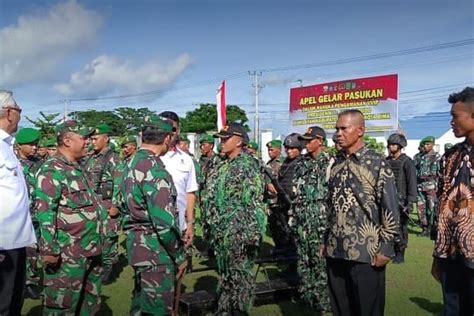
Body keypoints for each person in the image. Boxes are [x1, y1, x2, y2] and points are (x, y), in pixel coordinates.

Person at [322, 109, 400, 316]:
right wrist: (325, 240)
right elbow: (330, 206)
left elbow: (390, 206)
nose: (338, 133)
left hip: (366, 252)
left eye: (344, 128)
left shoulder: (377, 163)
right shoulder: (336, 163)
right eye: (337, 128)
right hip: (335, 250)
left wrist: (386, 247)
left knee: (367, 310)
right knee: (340, 309)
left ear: (360, 130)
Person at [34, 120, 104, 314]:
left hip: (91, 249)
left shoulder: (77, 168)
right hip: (67, 255)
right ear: (67, 140)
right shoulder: (51, 170)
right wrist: (49, 249)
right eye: (84, 138)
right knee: (61, 307)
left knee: (89, 305)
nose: (88, 142)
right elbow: (45, 213)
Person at [119, 115, 185, 315]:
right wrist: (179, 255)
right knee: (157, 309)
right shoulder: (154, 168)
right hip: (156, 251)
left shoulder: (132, 162)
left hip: (138, 247)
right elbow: (164, 224)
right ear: (167, 138)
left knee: (141, 306)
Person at [203, 123, 266, 315]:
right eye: (221, 139)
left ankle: (238, 310)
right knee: (227, 274)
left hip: (240, 233)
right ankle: (226, 308)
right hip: (223, 233)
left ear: (239, 141)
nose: (221, 142)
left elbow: (254, 202)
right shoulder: (222, 165)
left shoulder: (248, 165)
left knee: (240, 276)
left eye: (226, 138)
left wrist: (252, 234)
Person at [431, 87, 473, 316]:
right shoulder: (450, 156)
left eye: (455, 116)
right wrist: (438, 254)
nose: (451, 122)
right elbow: (442, 208)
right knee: (453, 309)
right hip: (452, 255)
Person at [0, 91, 37, 315]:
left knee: (13, 301)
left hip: (14, 242)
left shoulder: (6, 145)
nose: (20, 116)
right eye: (20, 111)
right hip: (2, 244)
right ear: (10, 113)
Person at [289, 126, 331, 311]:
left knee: (320, 263)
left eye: (309, 139)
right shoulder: (301, 163)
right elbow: (295, 192)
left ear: (320, 141)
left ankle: (323, 301)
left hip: (322, 224)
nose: (305, 143)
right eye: (304, 140)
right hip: (302, 221)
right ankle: (307, 296)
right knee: (303, 260)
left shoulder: (331, 162)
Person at [84, 123, 120, 283]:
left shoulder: (113, 159)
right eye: (91, 139)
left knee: (108, 238)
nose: (92, 142)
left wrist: (115, 205)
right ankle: (97, 266)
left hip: (107, 204)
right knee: (95, 237)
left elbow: (120, 183)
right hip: (93, 205)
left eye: (96, 138)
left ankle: (108, 267)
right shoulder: (90, 157)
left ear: (106, 139)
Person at [158, 111, 197, 248]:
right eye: (164, 127)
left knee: (182, 266)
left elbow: (190, 193)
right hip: (155, 230)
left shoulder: (186, 160)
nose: (169, 132)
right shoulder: (148, 157)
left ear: (178, 130)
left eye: (173, 128)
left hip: (180, 226)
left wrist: (190, 224)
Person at [15, 127, 43, 299]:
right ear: (19, 145)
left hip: (37, 215)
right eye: (31, 145)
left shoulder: (40, 163)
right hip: (17, 216)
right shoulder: (11, 162)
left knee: (33, 251)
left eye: (36, 144)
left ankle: (30, 282)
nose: (34, 148)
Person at [386, 133, 417, 264]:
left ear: (400, 146)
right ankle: (391, 251)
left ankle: (400, 253)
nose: (390, 146)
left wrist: (410, 202)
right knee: (388, 226)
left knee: (401, 228)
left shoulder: (407, 161)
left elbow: (412, 182)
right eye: (389, 144)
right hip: (388, 199)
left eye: (393, 144)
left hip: (402, 201)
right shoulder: (386, 161)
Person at [270, 133, 303, 255]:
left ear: (299, 148)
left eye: (292, 148)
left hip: (295, 204)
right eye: (287, 148)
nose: (288, 151)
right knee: (285, 232)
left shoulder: (302, 163)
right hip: (283, 203)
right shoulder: (286, 163)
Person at [415, 136, 440, 237]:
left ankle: (432, 228)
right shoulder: (419, 157)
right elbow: (415, 169)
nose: (425, 146)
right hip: (420, 185)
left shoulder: (436, 156)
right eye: (424, 144)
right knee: (421, 208)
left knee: (432, 208)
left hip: (431, 186)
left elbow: (438, 172)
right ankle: (424, 228)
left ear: (433, 144)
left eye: (427, 144)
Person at [265, 140, 283, 230]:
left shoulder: (284, 164)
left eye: (272, 150)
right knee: (273, 228)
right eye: (268, 150)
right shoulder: (268, 164)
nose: (269, 152)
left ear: (279, 150)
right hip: (270, 201)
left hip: (280, 202)